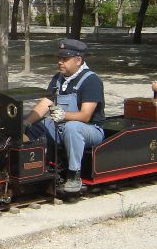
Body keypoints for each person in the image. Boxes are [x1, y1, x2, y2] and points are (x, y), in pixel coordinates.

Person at [24, 39, 105, 194]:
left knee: (72, 128)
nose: (60, 62)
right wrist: (26, 122)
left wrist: (63, 115)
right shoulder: (58, 78)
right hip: (61, 126)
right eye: (59, 58)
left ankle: (74, 176)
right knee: (34, 123)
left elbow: (86, 116)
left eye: (65, 59)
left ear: (78, 60)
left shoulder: (91, 81)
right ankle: (32, 167)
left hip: (90, 130)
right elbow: (45, 103)